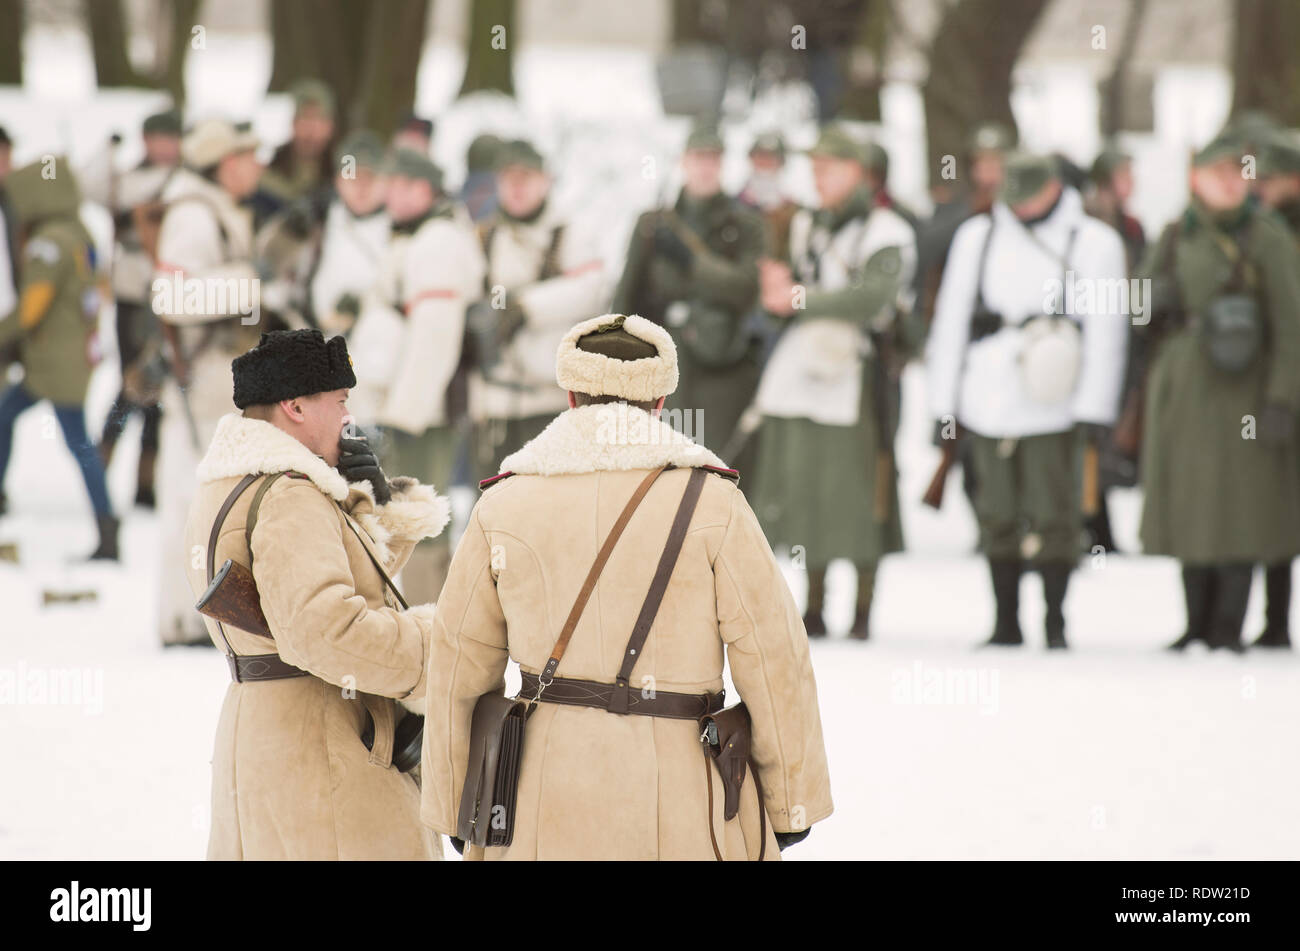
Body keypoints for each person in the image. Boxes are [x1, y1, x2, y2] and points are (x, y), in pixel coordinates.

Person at [419, 313, 833, 860]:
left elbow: (456, 667)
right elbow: (776, 659)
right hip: (683, 790)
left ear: (570, 397)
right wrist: (790, 804)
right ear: (659, 402)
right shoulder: (711, 501)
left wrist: (454, 802)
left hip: (534, 793)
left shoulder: (503, 503)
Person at [182, 329, 449, 859]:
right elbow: (325, 631)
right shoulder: (289, 495)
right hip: (323, 747)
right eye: (340, 402)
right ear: (295, 405)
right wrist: (434, 648)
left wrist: (373, 508)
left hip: (270, 732)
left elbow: (317, 593)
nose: (348, 417)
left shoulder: (236, 480)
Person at [926, 152, 1129, 649]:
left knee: (1055, 513)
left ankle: (1055, 621)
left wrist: (1095, 408)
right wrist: (943, 404)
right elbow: (950, 320)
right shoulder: (978, 236)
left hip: (1056, 390)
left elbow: (1107, 331)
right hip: (989, 391)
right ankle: (1006, 621)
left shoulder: (1094, 241)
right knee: (996, 511)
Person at [1135, 133, 1300, 652]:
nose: (1230, 183)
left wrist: (1282, 398)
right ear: (1195, 179)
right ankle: (1196, 623)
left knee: (1243, 507)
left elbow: (1291, 325)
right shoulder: (1174, 235)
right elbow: (1137, 309)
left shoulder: (1267, 237)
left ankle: (1229, 625)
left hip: (1246, 388)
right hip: (1186, 387)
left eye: (1238, 174)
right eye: (1218, 173)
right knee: (1191, 504)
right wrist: (1151, 299)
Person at [751, 124, 916, 640]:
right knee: (810, 492)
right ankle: (815, 604)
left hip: (861, 375)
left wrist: (798, 298)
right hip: (806, 372)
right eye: (815, 168)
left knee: (865, 493)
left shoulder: (888, 230)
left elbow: (870, 298)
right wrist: (777, 294)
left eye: (829, 169)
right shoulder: (807, 226)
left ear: (857, 173)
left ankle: (864, 609)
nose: (818, 178)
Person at [353, 149, 483, 604]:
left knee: (420, 517)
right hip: (413, 405)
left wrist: (404, 415)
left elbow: (435, 336)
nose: (393, 194)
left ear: (426, 191)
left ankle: (431, 624)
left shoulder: (437, 240)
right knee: (411, 514)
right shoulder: (417, 236)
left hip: (424, 410)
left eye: (405, 186)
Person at [153, 117, 264, 645]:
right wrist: (251, 282)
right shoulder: (195, 215)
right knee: (190, 501)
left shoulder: (214, 208)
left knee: (207, 501)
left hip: (215, 384)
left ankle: (196, 615)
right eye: (245, 156)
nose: (256, 166)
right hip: (199, 384)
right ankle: (182, 617)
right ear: (221, 163)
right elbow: (172, 298)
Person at [611, 124, 766, 467]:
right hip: (663, 365)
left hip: (723, 366)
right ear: (684, 161)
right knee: (661, 467)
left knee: (716, 467)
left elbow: (747, 288)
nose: (705, 167)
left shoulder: (745, 224)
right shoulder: (653, 225)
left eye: (713, 158)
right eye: (699, 158)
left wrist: (692, 261)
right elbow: (625, 297)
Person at [465, 138, 605, 480]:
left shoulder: (570, 233)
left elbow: (593, 290)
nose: (516, 187)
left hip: (551, 400)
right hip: (493, 400)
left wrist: (526, 307)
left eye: (525, 178)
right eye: (509, 178)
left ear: (545, 181)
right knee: (493, 503)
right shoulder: (482, 236)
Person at [0, 158, 118, 558]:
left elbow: (32, 307)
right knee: (6, 416)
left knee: (77, 443)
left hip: (54, 366)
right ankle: (107, 530)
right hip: (71, 359)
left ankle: (107, 529)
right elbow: (100, 291)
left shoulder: (49, 242)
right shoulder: (80, 233)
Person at [88, 109, 183, 510]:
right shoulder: (124, 179)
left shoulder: (184, 181)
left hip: (168, 295)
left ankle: (146, 482)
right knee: (131, 385)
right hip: (131, 293)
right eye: (157, 138)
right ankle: (99, 466)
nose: (164, 146)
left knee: (159, 387)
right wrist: (106, 151)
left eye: (171, 138)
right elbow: (89, 187)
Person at [1081, 144, 1148, 555]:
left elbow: (1141, 281)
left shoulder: (1132, 227)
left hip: (1125, 335)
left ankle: (1100, 525)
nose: (1131, 183)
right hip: (1093, 334)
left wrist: (1140, 320)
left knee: (1112, 435)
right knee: (1091, 434)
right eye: (1124, 174)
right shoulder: (1089, 220)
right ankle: (1091, 524)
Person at [308, 129, 390, 338]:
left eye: (369, 178)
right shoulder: (317, 221)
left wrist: (364, 303)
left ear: (385, 182)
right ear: (338, 182)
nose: (361, 188)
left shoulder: (401, 227)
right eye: (353, 179)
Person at [253, 79, 336, 222]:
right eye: (305, 119)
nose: (311, 130)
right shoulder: (273, 163)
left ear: (330, 126)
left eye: (318, 120)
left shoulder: (346, 161)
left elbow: (353, 185)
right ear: (292, 123)